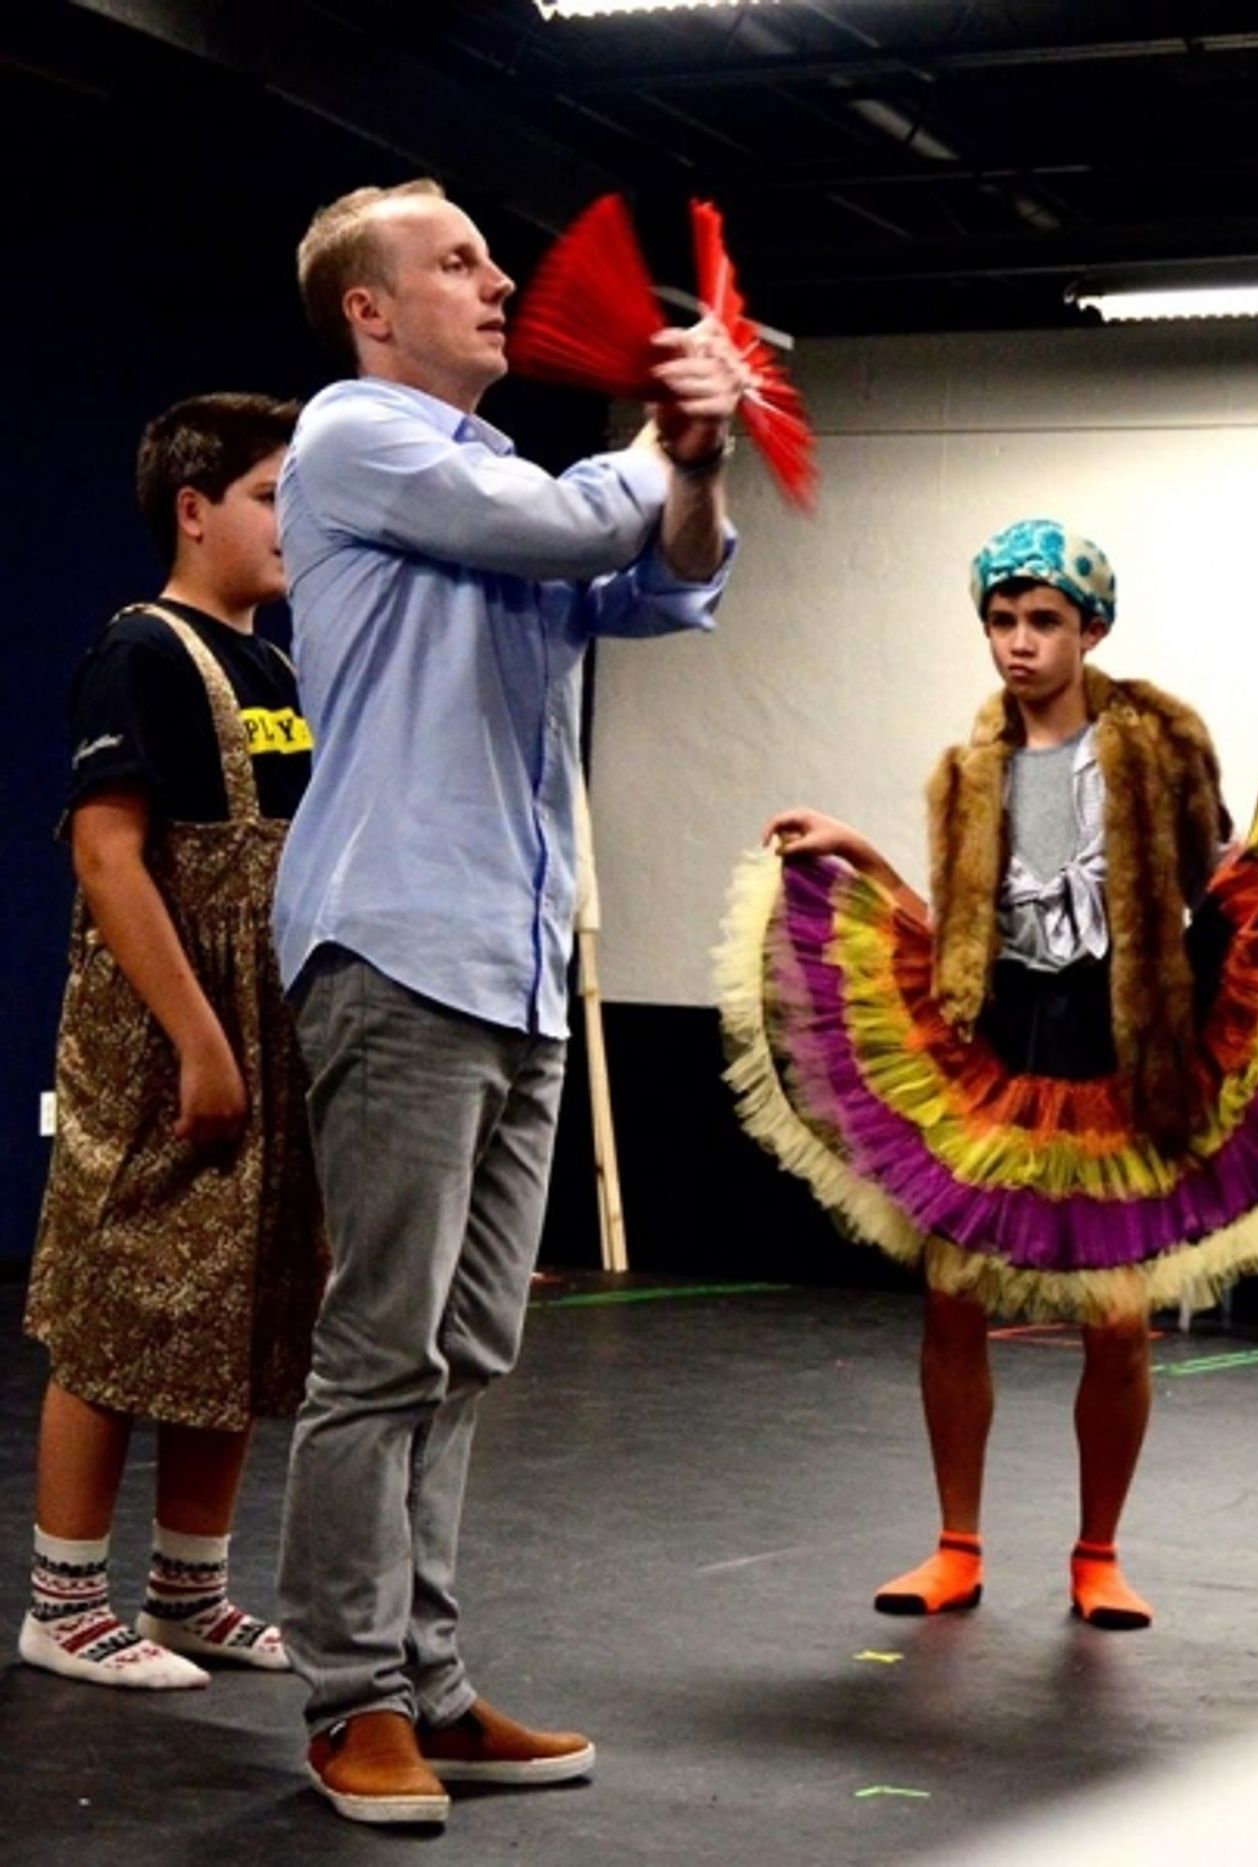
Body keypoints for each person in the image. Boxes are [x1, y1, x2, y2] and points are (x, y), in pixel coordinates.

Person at [274, 178, 743, 1827]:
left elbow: (670, 578)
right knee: (380, 1344)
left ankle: (430, 1679)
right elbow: (572, 529)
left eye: (491, 258)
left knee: (466, 1345)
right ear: (370, 310)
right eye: (457, 261)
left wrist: (699, 460)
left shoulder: (503, 479)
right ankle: (351, 1698)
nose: (498, 282)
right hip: (400, 943)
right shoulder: (353, 438)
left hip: (515, 958)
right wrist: (667, 432)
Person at [732, 516, 1258, 1634]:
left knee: (1117, 1319)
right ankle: (955, 1544)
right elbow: (963, 925)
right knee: (951, 1299)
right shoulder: (972, 772)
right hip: (1004, 1051)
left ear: (1091, 630)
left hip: (1118, 1050)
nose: (1018, 642)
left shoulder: (1156, 750)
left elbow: (1212, 880)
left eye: (1042, 620)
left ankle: (1097, 1553)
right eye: (1001, 620)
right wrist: (862, 852)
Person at [22, 393, 326, 1688]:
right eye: (270, 494)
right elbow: (108, 856)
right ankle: (63, 1600)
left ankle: (189, 1588)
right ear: (194, 509)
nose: (293, 518)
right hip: (169, 1026)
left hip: (272, 1018)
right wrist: (201, 1039)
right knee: (121, 1300)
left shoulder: (281, 670)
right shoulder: (141, 651)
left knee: (239, 1302)